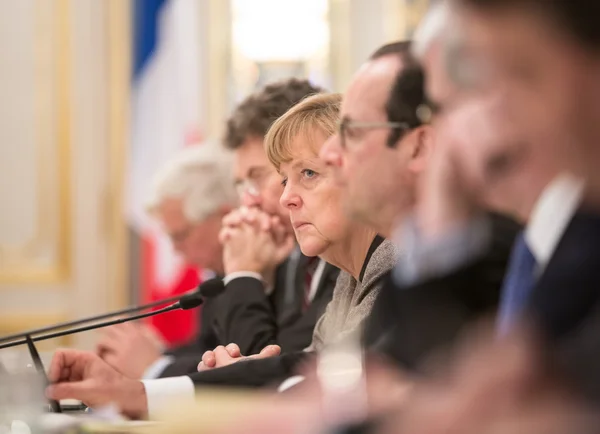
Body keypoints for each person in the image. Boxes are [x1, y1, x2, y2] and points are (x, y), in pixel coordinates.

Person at [45, 93, 399, 419]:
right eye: (283, 178)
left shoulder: (394, 262)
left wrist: (142, 391)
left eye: (308, 173)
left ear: (362, 175)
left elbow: (335, 384)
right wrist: (241, 371)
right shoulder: (349, 277)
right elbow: (306, 369)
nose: (284, 198)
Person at [212, 78, 339, 357]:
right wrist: (259, 277)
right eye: (242, 184)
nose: (249, 200)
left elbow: (275, 371)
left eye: (258, 177)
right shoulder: (290, 254)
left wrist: (244, 275)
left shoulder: (347, 252)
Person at [95, 143, 238, 380]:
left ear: (223, 216)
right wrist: (144, 355)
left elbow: (241, 368)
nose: (175, 249)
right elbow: (206, 349)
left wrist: (157, 365)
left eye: (181, 235)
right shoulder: (217, 278)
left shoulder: (258, 275)